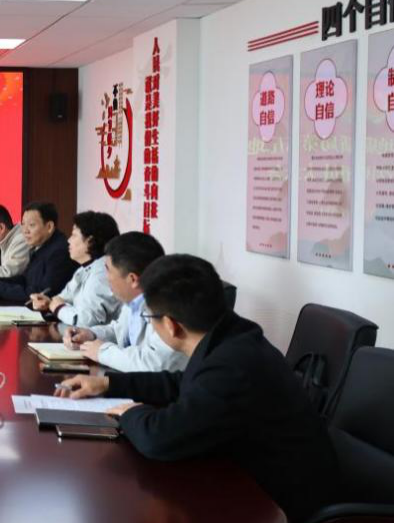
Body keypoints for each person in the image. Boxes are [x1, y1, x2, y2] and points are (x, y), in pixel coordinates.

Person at [56, 255, 340, 523]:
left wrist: (131, 413)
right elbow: (180, 383)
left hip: (276, 503)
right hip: (243, 475)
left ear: (171, 325)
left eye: (150, 319)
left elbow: (160, 438)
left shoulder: (232, 366)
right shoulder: (230, 336)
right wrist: (108, 383)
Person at [62, 231, 186, 372]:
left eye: (108, 270)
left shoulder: (167, 307)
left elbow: (154, 364)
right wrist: (90, 334)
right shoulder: (134, 301)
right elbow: (118, 332)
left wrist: (102, 352)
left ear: (132, 279)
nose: (106, 278)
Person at [29, 211, 121, 328]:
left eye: (74, 235)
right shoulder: (83, 269)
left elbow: (86, 321)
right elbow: (62, 299)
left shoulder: (103, 273)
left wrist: (57, 307)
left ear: (90, 241)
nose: (68, 240)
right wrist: (48, 303)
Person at [0, 202, 78, 305]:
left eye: (31, 225)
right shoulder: (41, 246)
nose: (25, 231)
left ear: (49, 227)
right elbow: (25, 280)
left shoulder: (59, 252)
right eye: (23, 224)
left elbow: (41, 294)